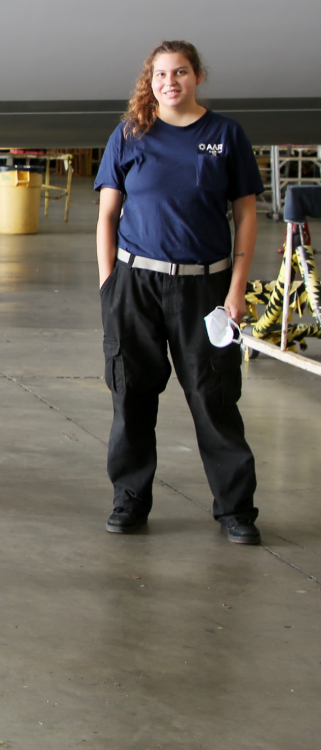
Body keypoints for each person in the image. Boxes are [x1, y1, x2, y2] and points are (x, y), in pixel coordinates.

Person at [95, 41, 264, 544]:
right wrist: (109, 286)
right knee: (131, 397)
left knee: (214, 399)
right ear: (150, 81)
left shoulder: (225, 135)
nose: (171, 82)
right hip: (136, 285)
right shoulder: (130, 134)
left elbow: (247, 215)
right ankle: (130, 499)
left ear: (198, 77)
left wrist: (236, 289)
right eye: (161, 75)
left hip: (205, 288)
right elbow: (107, 215)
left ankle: (236, 509)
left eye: (181, 73)